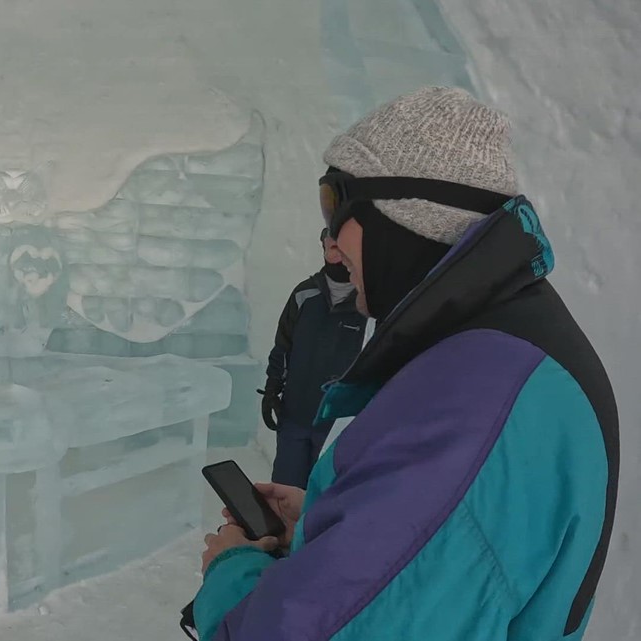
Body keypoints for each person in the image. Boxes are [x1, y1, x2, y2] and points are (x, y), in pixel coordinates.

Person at [191, 87, 618, 640]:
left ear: (404, 219)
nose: (331, 244)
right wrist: (333, 522)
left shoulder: (474, 403)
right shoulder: (511, 354)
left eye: (336, 206)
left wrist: (231, 574)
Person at [260, 228, 367, 489]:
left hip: (336, 416)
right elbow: (283, 346)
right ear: (322, 246)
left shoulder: (367, 303)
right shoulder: (304, 294)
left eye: (341, 244)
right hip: (296, 409)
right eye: (330, 243)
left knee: (323, 488)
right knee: (285, 487)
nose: (335, 249)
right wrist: (273, 388)